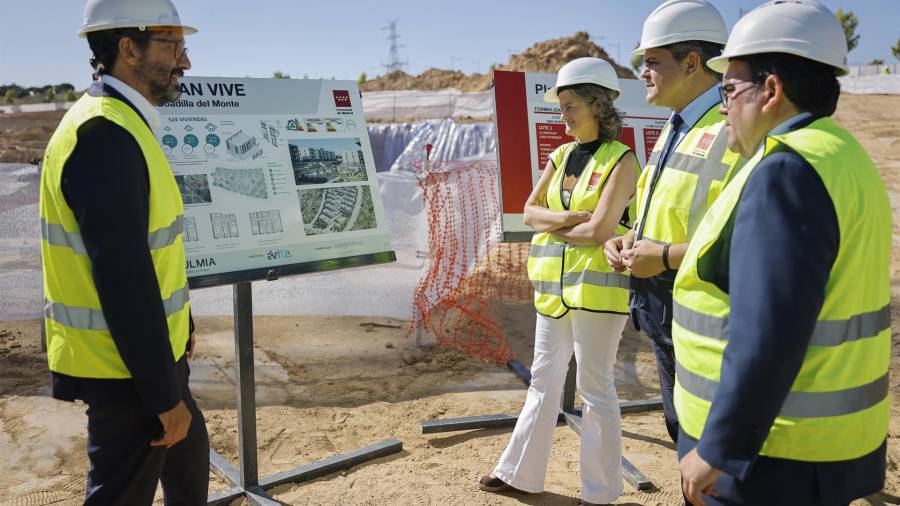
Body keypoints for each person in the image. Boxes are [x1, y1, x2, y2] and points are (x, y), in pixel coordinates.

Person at [672, 1, 891, 505]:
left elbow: (769, 330)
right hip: (824, 448)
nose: (723, 105)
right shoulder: (842, 154)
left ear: (771, 90)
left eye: (729, 89)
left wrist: (720, 446)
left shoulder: (784, 171)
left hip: (767, 457)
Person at [39, 0, 208, 503]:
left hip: (149, 359)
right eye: (172, 44)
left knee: (190, 459)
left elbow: (150, 255)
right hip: (125, 372)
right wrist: (161, 394)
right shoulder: (103, 135)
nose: (185, 61)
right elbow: (122, 277)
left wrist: (184, 331)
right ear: (128, 48)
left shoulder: (123, 123)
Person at [479, 57, 640, 506]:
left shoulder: (622, 160)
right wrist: (567, 218)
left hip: (597, 292)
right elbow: (529, 211)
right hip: (554, 293)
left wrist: (555, 224)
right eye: (561, 106)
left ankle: (600, 494)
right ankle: (518, 474)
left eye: (570, 106)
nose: (562, 114)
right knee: (543, 381)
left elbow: (600, 231)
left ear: (597, 104)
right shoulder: (561, 155)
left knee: (595, 389)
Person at [604, 0, 743, 444]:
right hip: (665, 309)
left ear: (692, 63)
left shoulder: (733, 127)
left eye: (651, 62)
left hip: (707, 319)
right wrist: (628, 240)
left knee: (710, 441)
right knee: (681, 428)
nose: (643, 73)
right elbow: (663, 207)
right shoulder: (677, 123)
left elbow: (744, 237)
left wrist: (663, 258)